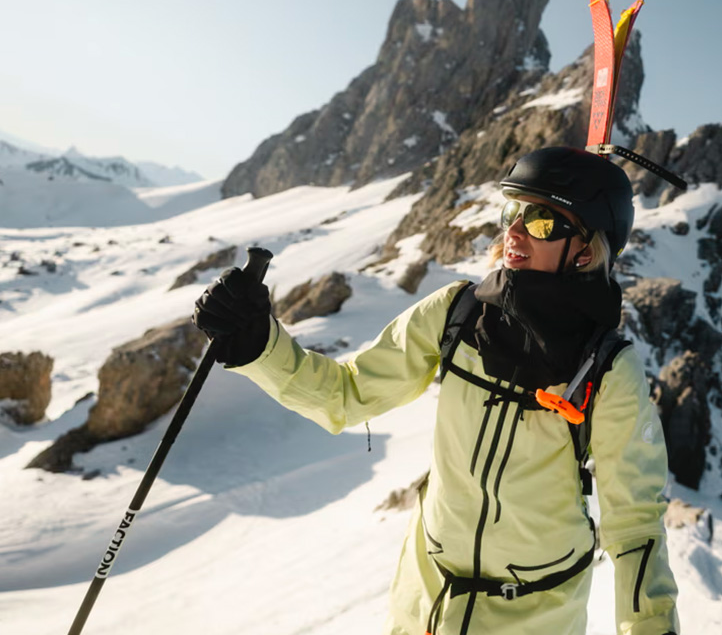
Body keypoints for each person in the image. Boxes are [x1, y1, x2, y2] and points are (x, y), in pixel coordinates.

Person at [193, 146, 680, 635]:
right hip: (425, 601)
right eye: (513, 211)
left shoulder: (608, 369)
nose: (513, 230)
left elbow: (635, 528)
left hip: (534, 616)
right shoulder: (458, 313)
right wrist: (258, 342)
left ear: (585, 249)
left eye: (541, 222)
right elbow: (347, 395)